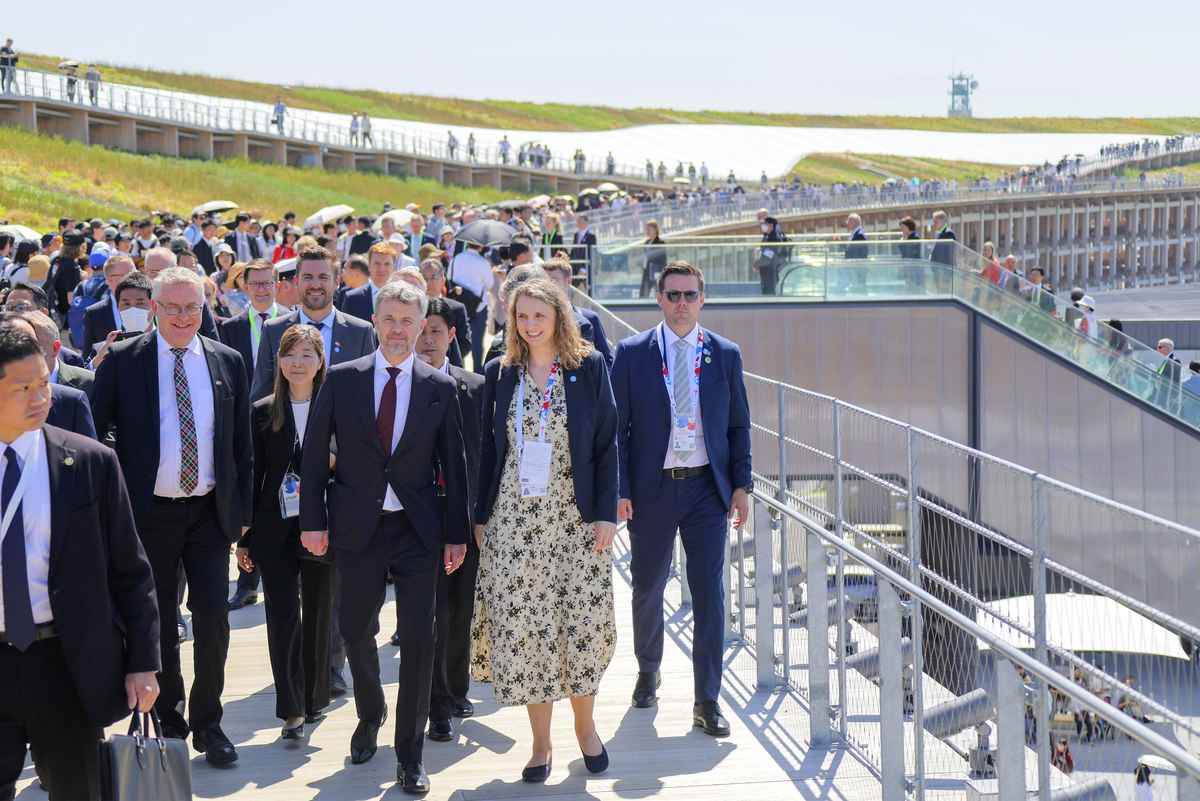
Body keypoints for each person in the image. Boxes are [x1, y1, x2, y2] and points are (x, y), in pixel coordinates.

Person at [299, 282, 470, 795]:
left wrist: (457, 533)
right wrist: (312, 521)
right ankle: (370, 710)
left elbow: (454, 464)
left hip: (419, 530)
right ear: (375, 321)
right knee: (354, 629)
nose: (398, 330)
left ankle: (410, 753)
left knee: (420, 639)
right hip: (358, 527)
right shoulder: (343, 379)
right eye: (390, 319)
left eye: (407, 321)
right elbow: (314, 456)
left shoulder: (439, 387)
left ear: (421, 327)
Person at [90, 267, 253, 765]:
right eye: (173, 308)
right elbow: (96, 431)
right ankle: (171, 716)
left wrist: (243, 514)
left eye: (192, 308)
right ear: (154, 309)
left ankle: (209, 722)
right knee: (157, 620)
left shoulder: (227, 360)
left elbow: (241, 443)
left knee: (213, 618)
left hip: (208, 513)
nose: (183, 318)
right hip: (148, 513)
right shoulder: (124, 361)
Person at [0, 325, 160, 801]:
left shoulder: (90, 462)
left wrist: (143, 663)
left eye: (43, 383)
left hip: (65, 661)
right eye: (23, 388)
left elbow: (130, 570)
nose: (40, 398)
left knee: (78, 790)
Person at [472, 277, 618, 783]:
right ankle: (540, 743)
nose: (531, 325)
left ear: (559, 317)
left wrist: (606, 513)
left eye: (540, 315)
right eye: (522, 316)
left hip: (576, 520)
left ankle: (585, 728)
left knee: (582, 625)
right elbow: (488, 449)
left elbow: (606, 444)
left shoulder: (588, 366)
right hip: (516, 521)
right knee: (529, 630)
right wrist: (481, 515)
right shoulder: (500, 372)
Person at [611, 261, 751, 738]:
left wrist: (741, 485)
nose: (682, 304)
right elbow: (618, 431)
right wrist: (621, 489)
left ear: (702, 299)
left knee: (710, 592)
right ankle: (648, 669)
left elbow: (738, 425)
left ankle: (706, 699)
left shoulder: (724, 354)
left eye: (690, 295)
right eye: (673, 295)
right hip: (652, 489)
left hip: (705, 490)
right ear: (659, 299)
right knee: (647, 585)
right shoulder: (632, 354)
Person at [236, 324, 333, 740]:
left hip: (323, 524)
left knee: (319, 612)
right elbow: (251, 474)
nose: (298, 363)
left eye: (307, 354)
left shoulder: (335, 407)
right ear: (278, 361)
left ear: (321, 361)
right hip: (273, 527)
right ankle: (291, 707)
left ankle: (314, 697)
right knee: (282, 615)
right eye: (290, 354)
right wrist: (244, 538)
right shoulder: (262, 411)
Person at [409, 298, 485, 742]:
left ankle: (456, 688)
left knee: (460, 609)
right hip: (418, 518)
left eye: (435, 331)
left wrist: (482, 514)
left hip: (465, 517)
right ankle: (434, 700)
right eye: (421, 330)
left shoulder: (474, 388)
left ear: (452, 335)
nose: (427, 339)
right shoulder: (402, 384)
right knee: (430, 612)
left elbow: (486, 455)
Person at [251, 246, 376, 402]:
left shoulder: (361, 332)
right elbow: (261, 394)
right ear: (296, 281)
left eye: (323, 277)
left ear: (337, 281)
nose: (315, 285)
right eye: (308, 277)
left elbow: (369, 393)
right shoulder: (273, 330)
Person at [541, 257, 613, 366]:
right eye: (544, 281)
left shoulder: (590, 318)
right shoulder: (536, 318)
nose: (548, 285)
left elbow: (607, 359)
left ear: (568, 281)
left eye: (553, 280)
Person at [446, 243, 495, 373]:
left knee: (457, 340)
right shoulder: (483, 262)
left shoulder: (456, 259)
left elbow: (449, 277)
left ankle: (457, 371)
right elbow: (490, 284)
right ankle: (477, 374)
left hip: (458, 304)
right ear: (480, 246)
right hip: (478, 306)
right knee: (477, 343)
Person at [80, 253, 134, 357]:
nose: (134, 279)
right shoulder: (94, 314)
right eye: (128, 275)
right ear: (109, 279)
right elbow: (88, 356)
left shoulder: (148, 307)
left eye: (135, 274)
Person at [340, 241, 398, 323]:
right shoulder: (352, 298)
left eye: (387, 264)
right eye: (377, 263)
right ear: (369, 266)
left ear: (393, 267)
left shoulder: (402, 298)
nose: (381, 268)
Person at [757, 216, 789, 295]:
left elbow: (770, 254)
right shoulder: (768, 235)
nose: (763, 226)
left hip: (771, 270)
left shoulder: (773, 238)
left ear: (771, 225)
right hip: (768, 269)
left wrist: (757, 263)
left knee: (769, 292)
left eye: (765, 224)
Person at [640, 220, 666, 298]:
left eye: (649, 229)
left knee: (658, 293)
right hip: (646, 271)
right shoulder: (647, 242)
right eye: (646, 229)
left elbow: (662, 258)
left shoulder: (660, 242)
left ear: (655, 230)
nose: (647, 231)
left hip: (656, 272)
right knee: (643, 294)